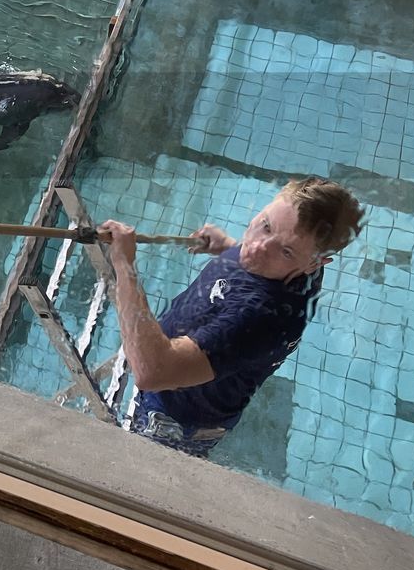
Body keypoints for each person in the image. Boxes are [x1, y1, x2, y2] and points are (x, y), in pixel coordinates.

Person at [97, 177, 364, 458]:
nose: (257, 247)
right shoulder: (300, 260)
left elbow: (153, 372)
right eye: (265, 225)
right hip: (185, 383)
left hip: (173, 419)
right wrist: (227, 246)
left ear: (316, 263)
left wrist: (124, 267)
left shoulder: (262, 318)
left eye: (286, 251)